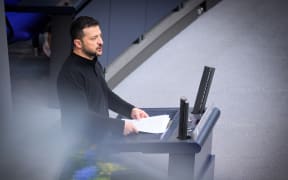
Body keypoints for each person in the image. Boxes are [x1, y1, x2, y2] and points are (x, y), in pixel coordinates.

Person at [57, 16, 149, 179]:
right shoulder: (70, 74)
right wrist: (120, 125)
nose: (101, 42)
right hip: (83, 152)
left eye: (100, 36)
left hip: (101, 142)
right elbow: (81, 117)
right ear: (78, 43)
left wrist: (131, 110)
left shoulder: (93, 63)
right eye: (94, 38)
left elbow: (105, 94)